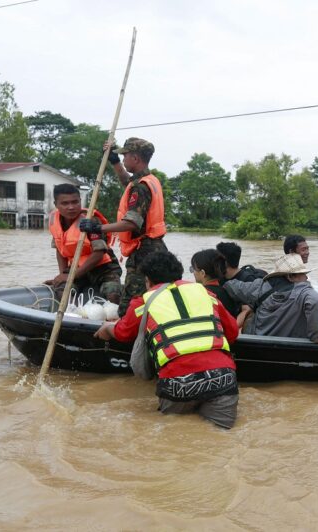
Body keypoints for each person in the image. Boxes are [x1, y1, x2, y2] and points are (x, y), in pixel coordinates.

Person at [94, 251, 239, 429]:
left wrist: (107, 328)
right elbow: (232, 333)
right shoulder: (206, 294)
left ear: (148, 280)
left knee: (173, 433)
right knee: (221, 434)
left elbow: (124, 333)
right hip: (223, 379)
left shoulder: (144, 302)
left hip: (178, 382)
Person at [80, 137, 166, 317]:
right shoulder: (148, 180)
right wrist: (114, 161)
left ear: (135, 158)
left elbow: (132, 222)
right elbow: (126, 181)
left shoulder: (141, 187)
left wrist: (98, 228)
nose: (124, 159)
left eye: (125, 156)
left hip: (144, 251)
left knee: (130, 304)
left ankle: (126, 338)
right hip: (153, 247)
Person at [223, 253, 318, 353]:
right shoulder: (304, 291)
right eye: (303, 274)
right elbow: (315, 300)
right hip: (291, 348)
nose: (307, 277)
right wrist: (317, 335)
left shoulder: (260, 286)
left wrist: (219, 282)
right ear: (291, 276)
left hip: (257, 345)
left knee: (250, 313)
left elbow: (233, 287)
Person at [44, 184, 121, 303]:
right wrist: (63, 276)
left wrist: (71, 276)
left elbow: (99, 253)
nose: (71, 207)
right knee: (62, 290)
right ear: (56, 205)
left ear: (80, 201)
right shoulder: (55, 221)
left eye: (75, 202)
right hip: (77, 268)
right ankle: (73, 315)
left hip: (103, 269)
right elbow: (60, 251)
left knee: (113, 294)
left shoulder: (90, 220)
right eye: (65, 203)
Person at [190, 248, 241, 318]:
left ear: (202, 273)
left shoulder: (202, 294)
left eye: (193, 269)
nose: (193, 273)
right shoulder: (228, 290)